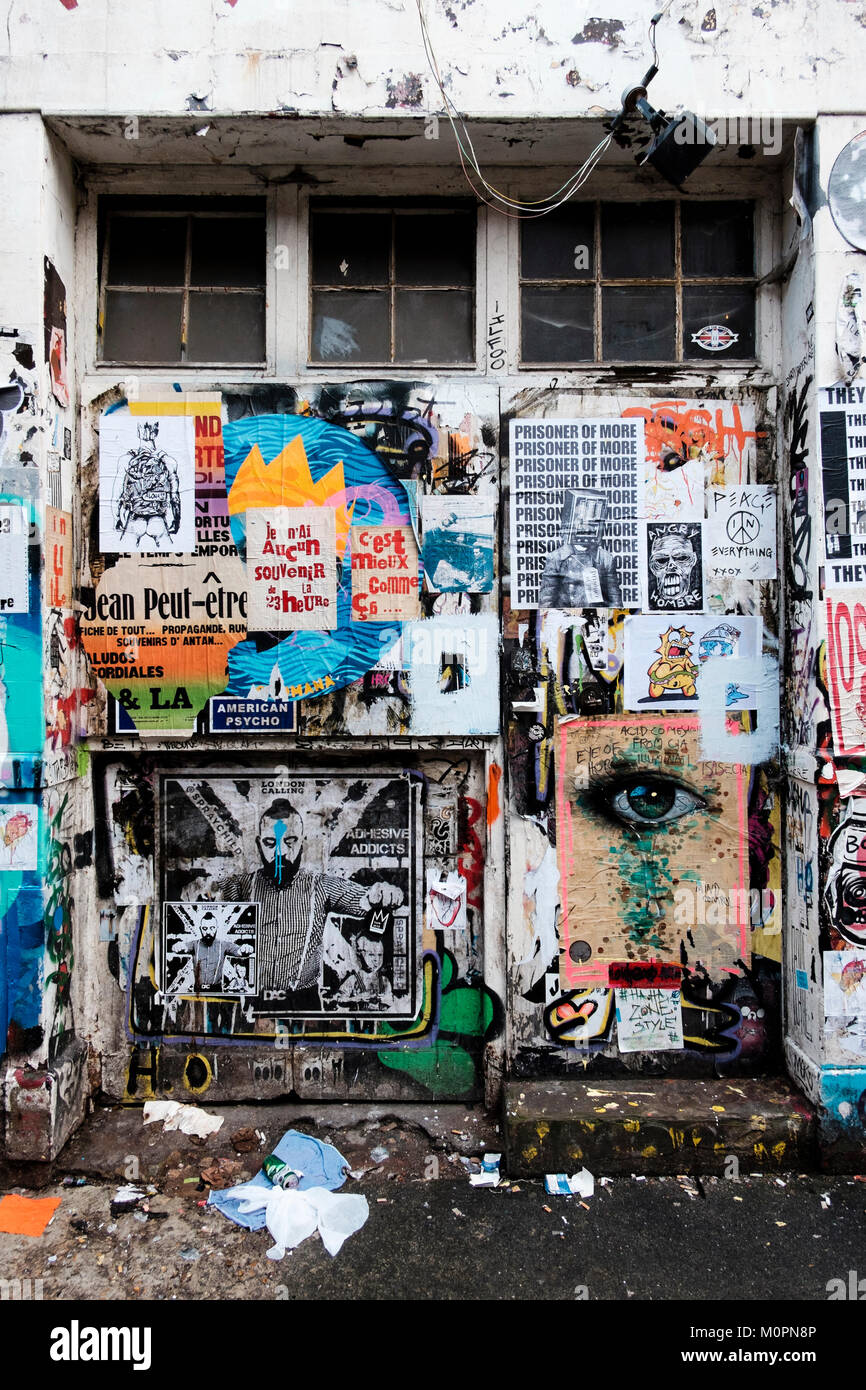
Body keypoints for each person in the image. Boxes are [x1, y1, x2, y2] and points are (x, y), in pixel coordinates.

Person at [216, 798, 402, 1012]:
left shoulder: (319, 885)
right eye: (270, 843)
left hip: (304, 1002)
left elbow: (360, 898)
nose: (280, 852)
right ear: (259, 844)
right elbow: (208, 897)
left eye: (290, 841)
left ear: (302, 843)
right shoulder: (241, 886)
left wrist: (378, 894)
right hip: (252, 1003)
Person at [538, 488, 622, 608]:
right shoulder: (556, 558)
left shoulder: (605, 559)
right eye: (581, 521)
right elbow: (546, 601)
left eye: (592, 523)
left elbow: (615, 601)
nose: (587, 527)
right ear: (570, 521)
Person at [331, 931, 394, 1010]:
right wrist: (356, 998)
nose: (376, 960)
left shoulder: (384, 981)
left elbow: (390, 1001)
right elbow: (339, 999)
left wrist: (384, 999)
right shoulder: (353, 979)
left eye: (380, 955)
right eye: (371, 955)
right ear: (360, 955)